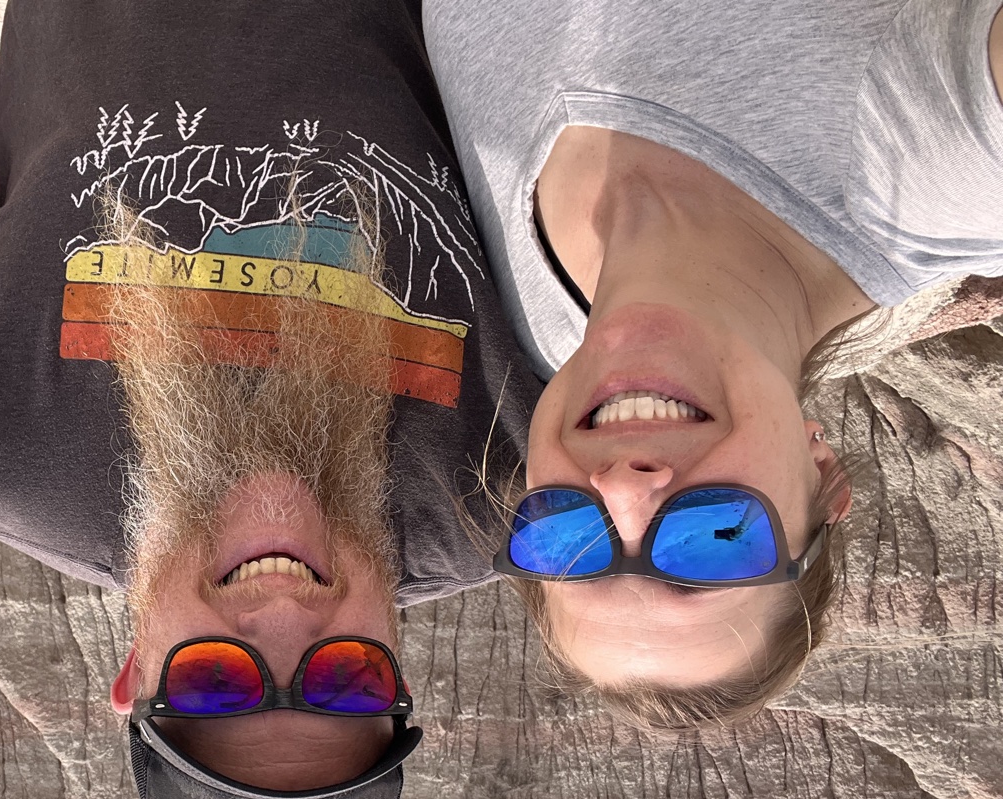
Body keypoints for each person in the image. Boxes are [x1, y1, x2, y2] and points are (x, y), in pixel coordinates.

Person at [0, 0, 539, 799]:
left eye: (214, 685)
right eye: (346, 685)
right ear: (397, 676)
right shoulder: (511, 481)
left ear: (134, 675)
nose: (284, 621)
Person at [423, 0, 1003, 728]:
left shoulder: (528, 314)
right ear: (822, 477)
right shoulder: (936, 164)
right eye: (715, 540)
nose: (623, 490)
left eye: (571, 546)